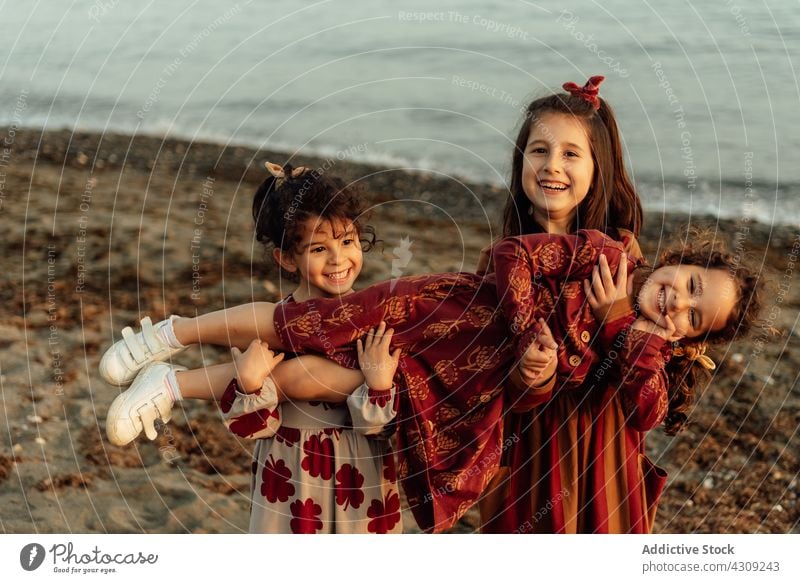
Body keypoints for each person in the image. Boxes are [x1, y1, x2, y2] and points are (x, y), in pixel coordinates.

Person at [100, 227, 761, 532]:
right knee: (302, 321)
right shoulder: (607, 254)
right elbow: (512, 254)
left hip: (453, 380)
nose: (679, 301)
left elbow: (646, 410)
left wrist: (626, 327)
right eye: (691, 284)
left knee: (330, 377)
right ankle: (171, 334)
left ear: (690, 339)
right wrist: (532, 322)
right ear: (678, 260)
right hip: (440, 311)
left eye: (695, 316)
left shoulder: (634, 346)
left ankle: (170, 387)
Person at [105, 163, 402, 533]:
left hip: (360, 483)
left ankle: (170, 381)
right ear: (286, 258)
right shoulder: (269, 332)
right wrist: (248, 382)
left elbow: (385, 428)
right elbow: (252, 427)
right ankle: (168, 375)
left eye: (347, 241)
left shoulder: (371, 327)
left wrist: (378, 384)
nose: (338, 259)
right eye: (319, 248)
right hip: (291, 479)